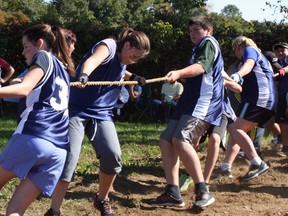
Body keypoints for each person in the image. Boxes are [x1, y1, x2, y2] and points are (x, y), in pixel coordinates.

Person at [45, 28, 150, 216]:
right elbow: (92, 61)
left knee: (112, 155)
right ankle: (54, 210)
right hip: (76, 109)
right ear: (126, 45)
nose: (134, 60)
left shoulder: (122, 59)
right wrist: (84, 74)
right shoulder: (108, 46)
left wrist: (132, 77)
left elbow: (121, 70)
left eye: (138, 59)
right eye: (134, 56)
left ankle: (102, 199)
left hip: (102, 113)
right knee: (69, 160)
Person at [149, 15, 224, 211]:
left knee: (181, 139)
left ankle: (203, 191)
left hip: (203, 102)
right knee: (166, 139)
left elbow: (201, 68)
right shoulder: (197, 48)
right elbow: (199, 74)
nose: (192, 34)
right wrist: (179, 76)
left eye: (196, 30)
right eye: (190, 31)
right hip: (188, 101)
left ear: (208, 30)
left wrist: (180, 73)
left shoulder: (208, 43)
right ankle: (173, 192)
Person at [0, 24, 75, 216]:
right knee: (15, 211)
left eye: (26, 46)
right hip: (58, 151)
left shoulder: (42, 56)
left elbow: (23, 89)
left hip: (34, 137)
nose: (23, 52)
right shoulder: (64, 70)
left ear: (39, 43)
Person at [220, 36, 278, 181]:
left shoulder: (250, 51)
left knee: (235, 129)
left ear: (238, 46)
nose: (236, 54)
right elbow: (239, 88)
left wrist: (238, 73)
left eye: (235, 51)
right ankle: (225, 167)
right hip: (264, 99)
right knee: (236, 131)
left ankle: (257, 162)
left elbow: (249, 64)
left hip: (259, 98)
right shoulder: (259, 59)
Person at [179, 71, 242, 192]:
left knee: (215, 139)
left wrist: (223, 81)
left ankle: (205, 182)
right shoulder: (199, 69)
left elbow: (238, 88)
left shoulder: (219, 70)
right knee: (193, 140)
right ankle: (188, 174)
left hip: (221, 111)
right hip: (201, 111)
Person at [272, 42, 288, 156]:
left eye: (283, 50)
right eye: (277, 51)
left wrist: (282, 71)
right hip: (281, 96)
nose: (280, 52)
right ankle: (286, 146)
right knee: (283, 121)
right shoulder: (274, 64)